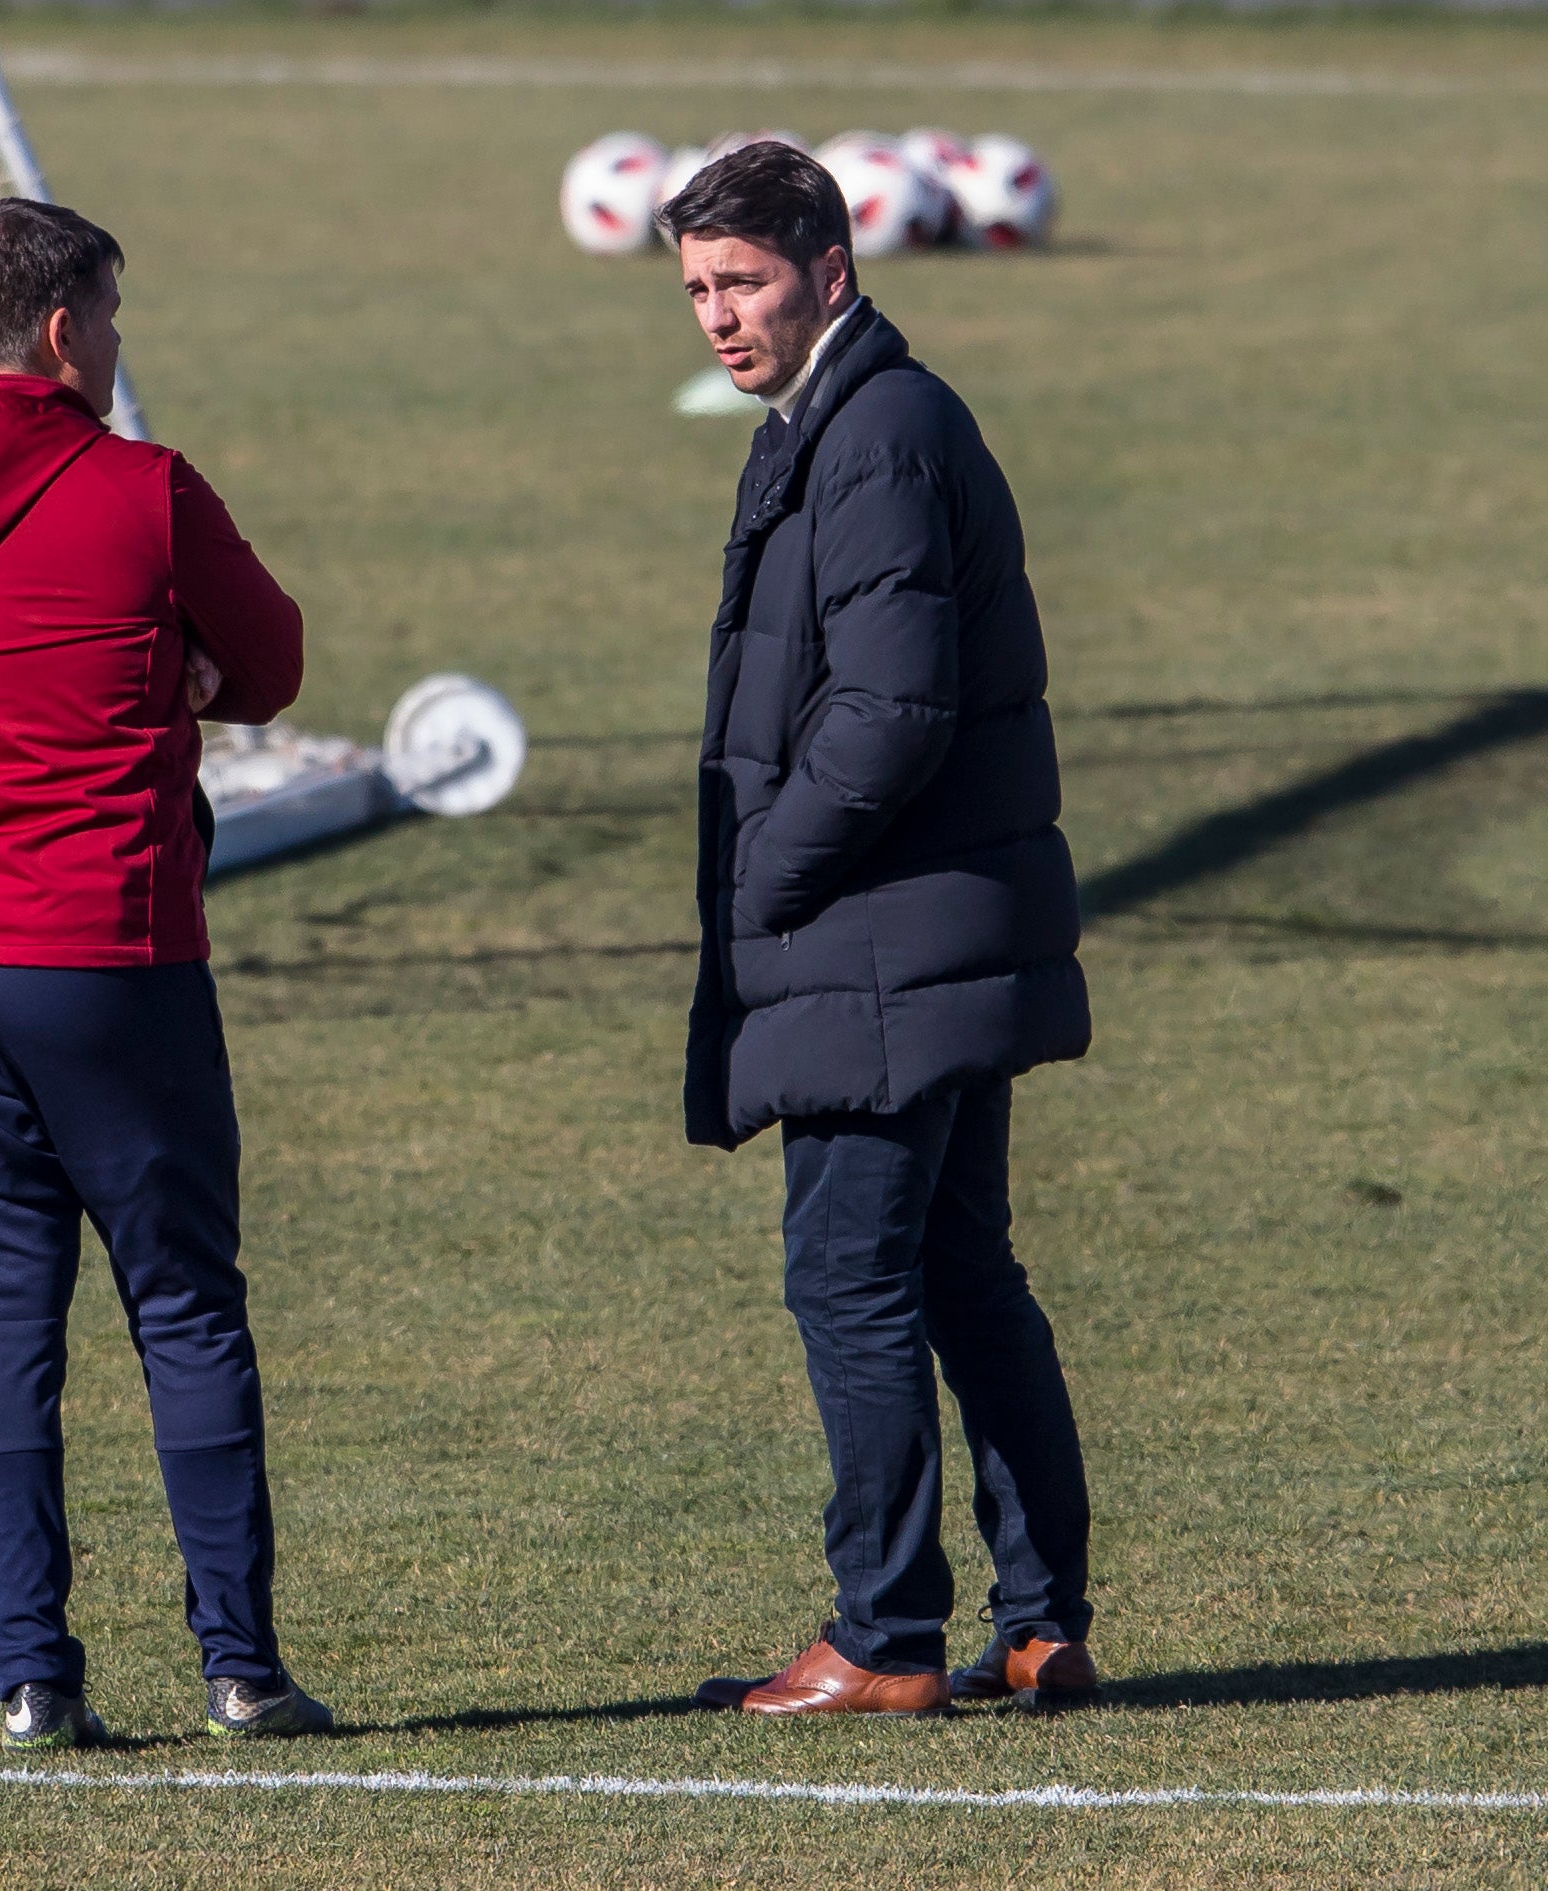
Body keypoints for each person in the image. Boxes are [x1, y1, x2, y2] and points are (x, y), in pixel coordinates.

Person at [0, 197, 331, 1750]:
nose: (115, 346)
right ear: (61, 332)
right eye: (110, 318)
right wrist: (179, 674)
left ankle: (32, 1674)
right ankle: (238, 1666)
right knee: (182, 1303)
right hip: (100, 949)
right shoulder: (142, 490)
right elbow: (279, 662)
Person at [662, 144, 1102, 1717]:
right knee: (960, 1271)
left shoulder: (879, 434)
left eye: (747, 283)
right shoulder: (840, 420)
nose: (719, 317)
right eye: (700, 288)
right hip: (919, 931)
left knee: (853, 1276)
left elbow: (892, 705)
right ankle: (1041, 1625)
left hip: (877, 936)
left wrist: (768, 877)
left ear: (831, 270)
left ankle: (885, 1636)